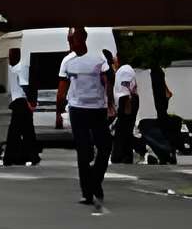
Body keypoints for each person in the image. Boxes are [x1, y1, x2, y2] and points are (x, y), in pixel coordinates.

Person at [55, 25, 114, 212]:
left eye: (73, 39)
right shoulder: (67, 62)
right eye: (68, 39)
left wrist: (110, 102)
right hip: (77, 110)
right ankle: (87, 193)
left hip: (97, 109)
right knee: (84, 151)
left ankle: (95, 180)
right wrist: (58, 112)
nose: (70, 42)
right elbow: (62, 90)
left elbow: (107, 81)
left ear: (83, 39)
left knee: (104, 147)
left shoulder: (98, 59)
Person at [2, 46, 40, 166]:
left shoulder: (21, 68)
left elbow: (26, 86)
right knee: (26, 131)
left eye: (12, 55)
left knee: (16, 131)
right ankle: (30, 156)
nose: (10, 57)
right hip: (17, 102)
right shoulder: (11, 68)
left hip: (21, 102)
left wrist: (30, 102)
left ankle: (11, 157)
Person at [111, 55, 139, 165]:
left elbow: (125, 89)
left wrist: (127, 106)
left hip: (127, 101)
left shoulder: (124, 70)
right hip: (126, 101)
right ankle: (125, 156)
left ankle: (119, 156)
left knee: (122, 130)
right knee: (124, 131)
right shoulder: (122, 70)